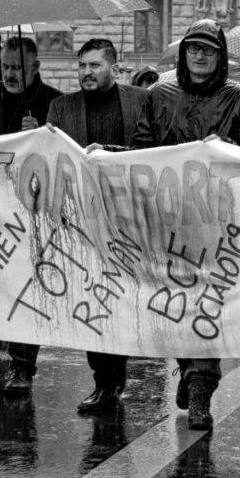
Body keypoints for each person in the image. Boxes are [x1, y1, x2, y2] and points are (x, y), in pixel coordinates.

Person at [130, 18, 240, 431]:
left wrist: (224, 152)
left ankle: (202, 390)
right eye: (194, 48)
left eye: (208, 49)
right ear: (184, 52)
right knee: (176, 304)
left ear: (220, 56)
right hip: (168, 219)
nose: (200, 56)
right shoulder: (158, 95)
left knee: (210, 306)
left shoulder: (239, 98)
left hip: (217, 222)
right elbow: (139, 151)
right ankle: (188, 367)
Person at [45, 38, 150, 414]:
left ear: (113, 67)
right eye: (82, 66)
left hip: (127, 219)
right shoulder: (60, 108)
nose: (87, 72)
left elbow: (149, 152)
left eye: (95, 65)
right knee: (91, 299)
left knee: (121, 301)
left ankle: (115, 380)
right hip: (80, 222)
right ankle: (103, 383)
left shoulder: (140, 101)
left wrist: (110, 156)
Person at [0, 36, 63, 393]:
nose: (10, 74)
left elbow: (67, 156)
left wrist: (42, 137)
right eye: (6, 67)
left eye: (18, 67)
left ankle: (22, 366)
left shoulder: (54, 103)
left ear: (35, 67)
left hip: (34, 213)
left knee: (29, 286)